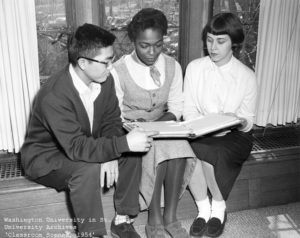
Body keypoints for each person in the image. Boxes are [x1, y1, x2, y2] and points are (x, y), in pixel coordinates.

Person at [21, 23, 157, 238]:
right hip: (47, 158)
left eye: (111, 60)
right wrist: (118, 146)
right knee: (87, 168)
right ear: (83, 63)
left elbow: (112, 121)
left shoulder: (105, 79)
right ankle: (92, 234)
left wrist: (113, 153)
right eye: (106, 62)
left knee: (131, 151)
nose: (111, 67)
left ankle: (123, 219)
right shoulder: (53, 96)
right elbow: (76, 148)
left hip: (82, 144)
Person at [110, 8, 196, 238]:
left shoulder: (172, 66)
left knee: (179, 147)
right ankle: (154, 218)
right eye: (144, 45)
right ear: (133, 42)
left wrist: (158, 123)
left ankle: (171, 216)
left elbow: (176, 108)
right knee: (156, 146)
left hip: (162, 123)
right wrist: (136, 126)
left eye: (158, 45)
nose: (151, 52)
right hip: (129, 128)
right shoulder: (118, 70)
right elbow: (114, 113)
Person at [183, 12, 257, 237]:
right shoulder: (195, 68)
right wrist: (203, 127)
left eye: (221, 41)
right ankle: (205, 209)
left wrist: (238, 120)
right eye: (209, 40)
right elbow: (189, 110)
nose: (213, 47)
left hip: (235, 135)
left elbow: (249, 120)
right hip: (200, 130)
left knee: (209, 151)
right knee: (190, 148)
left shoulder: (246, 76)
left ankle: (218, 208)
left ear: (234, 43)